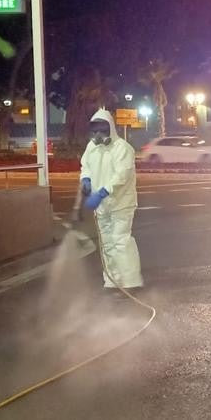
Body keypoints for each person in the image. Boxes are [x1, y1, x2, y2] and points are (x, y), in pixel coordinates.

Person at [79, 108, 143, 294]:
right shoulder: (92, 148)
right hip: (101, 206)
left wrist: (102, 192)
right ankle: (113, 281)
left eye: (103, 130)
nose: (99, 134)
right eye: (95, 130)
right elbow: (86, 166)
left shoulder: (122, 148)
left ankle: (130, 282)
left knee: (120, 240)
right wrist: (85, 179)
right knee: (107, 243)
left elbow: (121, 176)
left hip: (121, 204)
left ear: (110, 129)